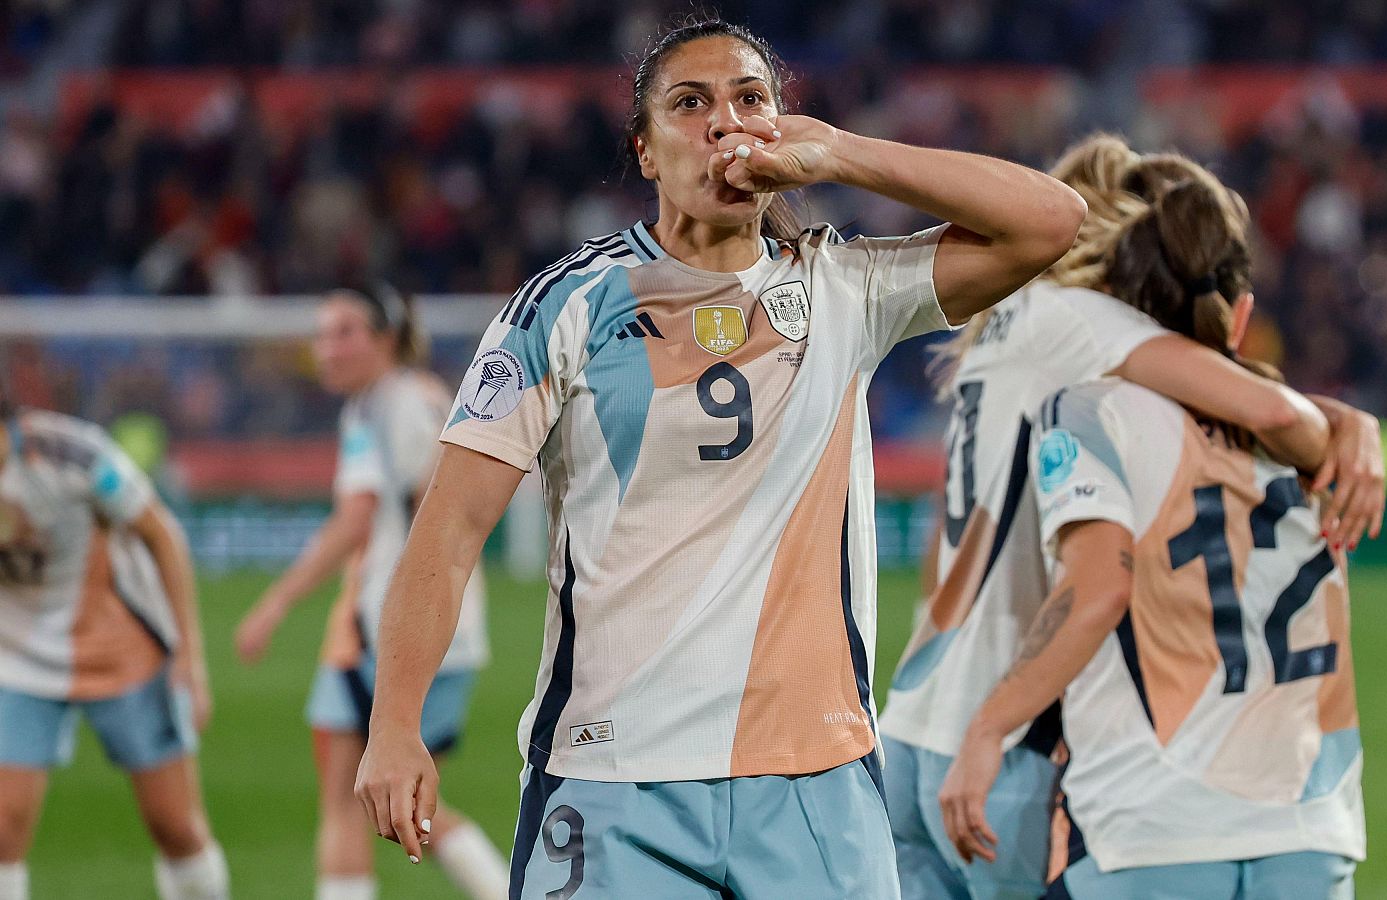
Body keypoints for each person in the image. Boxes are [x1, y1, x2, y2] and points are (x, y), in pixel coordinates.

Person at [351, 16, 1087, 899]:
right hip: (614, 776)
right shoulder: (565, 306)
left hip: (817, 776)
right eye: (690, 104)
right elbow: (448, 531)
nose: (725, 124)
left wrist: (843, 153)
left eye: (751, 100)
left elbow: (1052, 221)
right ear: (646, 151)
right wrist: (394, 723)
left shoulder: (846, 288)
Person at [880, 135, 1384, 899]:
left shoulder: (1005, 324)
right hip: (1003, 739)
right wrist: (1344, 426)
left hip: (916, 715)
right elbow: (1255, 402)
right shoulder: (1086, 326)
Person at [233, 286, 505, 900]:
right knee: (387, 796)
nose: (326, 348)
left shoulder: (390, 405)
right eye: (321, 334)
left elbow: (362, 517)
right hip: (441, 626)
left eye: (344, 332)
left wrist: (275, 602)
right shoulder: (420, 397)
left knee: (351, 797)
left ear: (385, 338)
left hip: (393, 629)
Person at [0, 389, 228, 900]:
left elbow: (162, 533)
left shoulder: (74, 453)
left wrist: (190, 656)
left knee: (176, 828)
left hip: (123, 651)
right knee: (2, 833)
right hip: (17, 661)